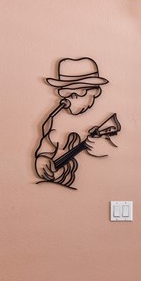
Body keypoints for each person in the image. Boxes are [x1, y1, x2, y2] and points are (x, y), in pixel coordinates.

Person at [34, 57, 113, 188]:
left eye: (79, 91)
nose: (72, 96)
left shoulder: (104, 118)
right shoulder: (55, 118)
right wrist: (42, 159)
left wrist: (102, 148)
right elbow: (46, 146)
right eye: (66, 90)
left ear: (95, 91)